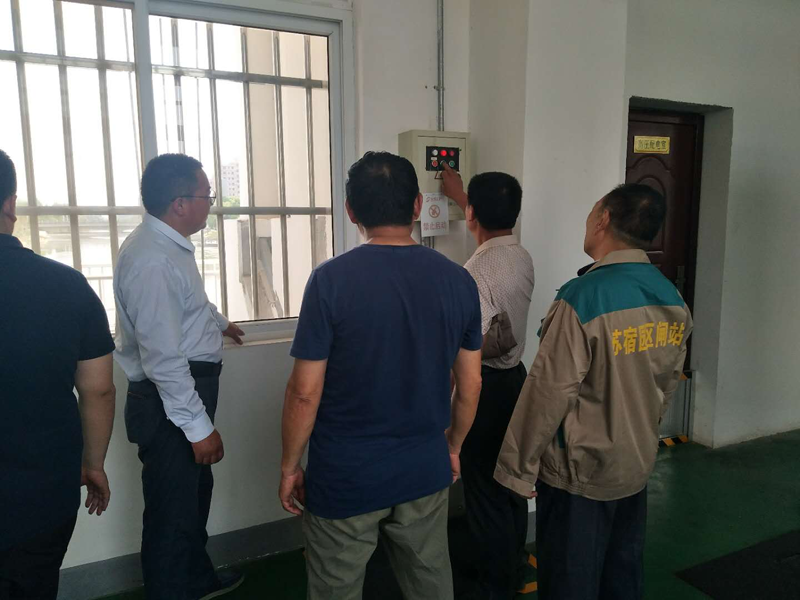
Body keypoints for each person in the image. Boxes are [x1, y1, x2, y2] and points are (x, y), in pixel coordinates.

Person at [279, 151, 483, 600]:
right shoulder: (458, 281)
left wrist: (290, 466)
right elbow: (470, 385)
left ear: (351, 211)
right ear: (417, 206)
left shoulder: (329, 281)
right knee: (429, 582)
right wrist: (452, 448)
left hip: (345, 475)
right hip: (423, 466)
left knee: (336, 587)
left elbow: (304, 393)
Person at [494, 184, 693, 600]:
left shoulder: (583, 297)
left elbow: (548, 393)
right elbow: (667, 383)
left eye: (591, 213)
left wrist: (517, 469)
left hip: (579, 477)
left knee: (571, 582)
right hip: (634, 467)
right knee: (622, 575)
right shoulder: (671, 296)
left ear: (603, 219)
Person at [114, 154, 245, 600]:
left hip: (182, 394)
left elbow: (188, 305)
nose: (211, 203)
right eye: (207, 195)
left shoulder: (168, 247)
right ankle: (172, 589)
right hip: (169, 402)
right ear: (180, 203)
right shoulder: (152, 259)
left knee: (191, 499)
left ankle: (195, 580)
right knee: (172, 511)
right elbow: (163, 359)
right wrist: (198, 428)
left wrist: (219, 322)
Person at [0, 149, 116, 599]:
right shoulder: (67, 287)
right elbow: (98, 390)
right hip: (41, 496)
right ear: (11, 204)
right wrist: (94, 464)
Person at [442, 164, 535, 599]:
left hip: (486, 389)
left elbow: (470, 354)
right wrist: (462, 197)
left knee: (484, 491)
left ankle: (494, 584)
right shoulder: (520, 255)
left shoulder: (474, 273)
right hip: (517, 382)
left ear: (473, 214)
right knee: (511, 482)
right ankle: (513, 563)